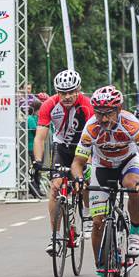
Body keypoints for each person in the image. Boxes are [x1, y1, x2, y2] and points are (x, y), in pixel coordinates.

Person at [71, 86, 139, 277]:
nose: (103, 117)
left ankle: (135, 232)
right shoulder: (91, 127)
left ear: (119, 109)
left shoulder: (131, 124)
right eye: (98, 112)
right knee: (98, 222)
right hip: (103, 165)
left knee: (133, 185)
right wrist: (79, 179)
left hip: (129, 162)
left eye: (108, 112)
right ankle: (100, 275)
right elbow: (77, 162)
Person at [31, 70, 94, 255]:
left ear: (79, 90)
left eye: (71, 92)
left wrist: (88, 162)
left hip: (83, 147)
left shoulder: (87, 105)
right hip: (62, 148)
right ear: (57, 92)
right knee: (55, 188)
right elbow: (40, 138)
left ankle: (88, 214)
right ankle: (56, 237)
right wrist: (37, 161)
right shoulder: (49, 105)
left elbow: (92, 136)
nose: (67, 96)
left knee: (84, 180)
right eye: (62, 92)